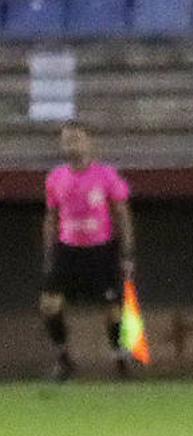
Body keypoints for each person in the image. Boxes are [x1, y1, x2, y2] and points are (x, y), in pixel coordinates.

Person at [39, 120, 137, 381]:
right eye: (67, 140)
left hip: (101, 250)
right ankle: (63, 358)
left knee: (112, 309)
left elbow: (121, 214)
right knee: (49, 305)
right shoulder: (56, 177)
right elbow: (52, 216)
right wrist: (50, 252)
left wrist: (127, 253)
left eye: (77, 139)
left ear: (89, 142)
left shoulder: (106, 175)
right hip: (67, 249)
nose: (72, 145)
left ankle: (119, 357)